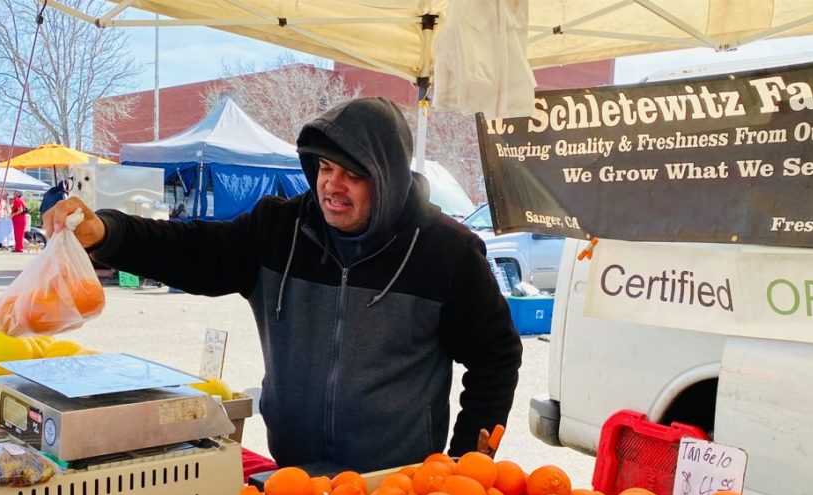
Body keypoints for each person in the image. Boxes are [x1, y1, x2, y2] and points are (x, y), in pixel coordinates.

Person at [46, 97, 522, 472]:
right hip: (295, 477)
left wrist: (466, 462)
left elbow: (495, 355)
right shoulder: (278, 229)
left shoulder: (447, 251)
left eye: (353, 175)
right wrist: (108, 233)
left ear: (389, 178)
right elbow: (192, 251)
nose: (332, 186)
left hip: (396, 488)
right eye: (325, 169)